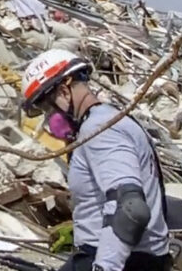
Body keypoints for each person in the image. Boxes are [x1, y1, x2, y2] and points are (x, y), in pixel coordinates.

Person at [21, 50, 171, 271]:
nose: (47, 119)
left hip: (125, 261)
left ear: (64, 91)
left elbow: (131, 209)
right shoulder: (110, 118)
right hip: (131, 256)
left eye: (46, 107)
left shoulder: (100, 131)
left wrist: (105, 266)